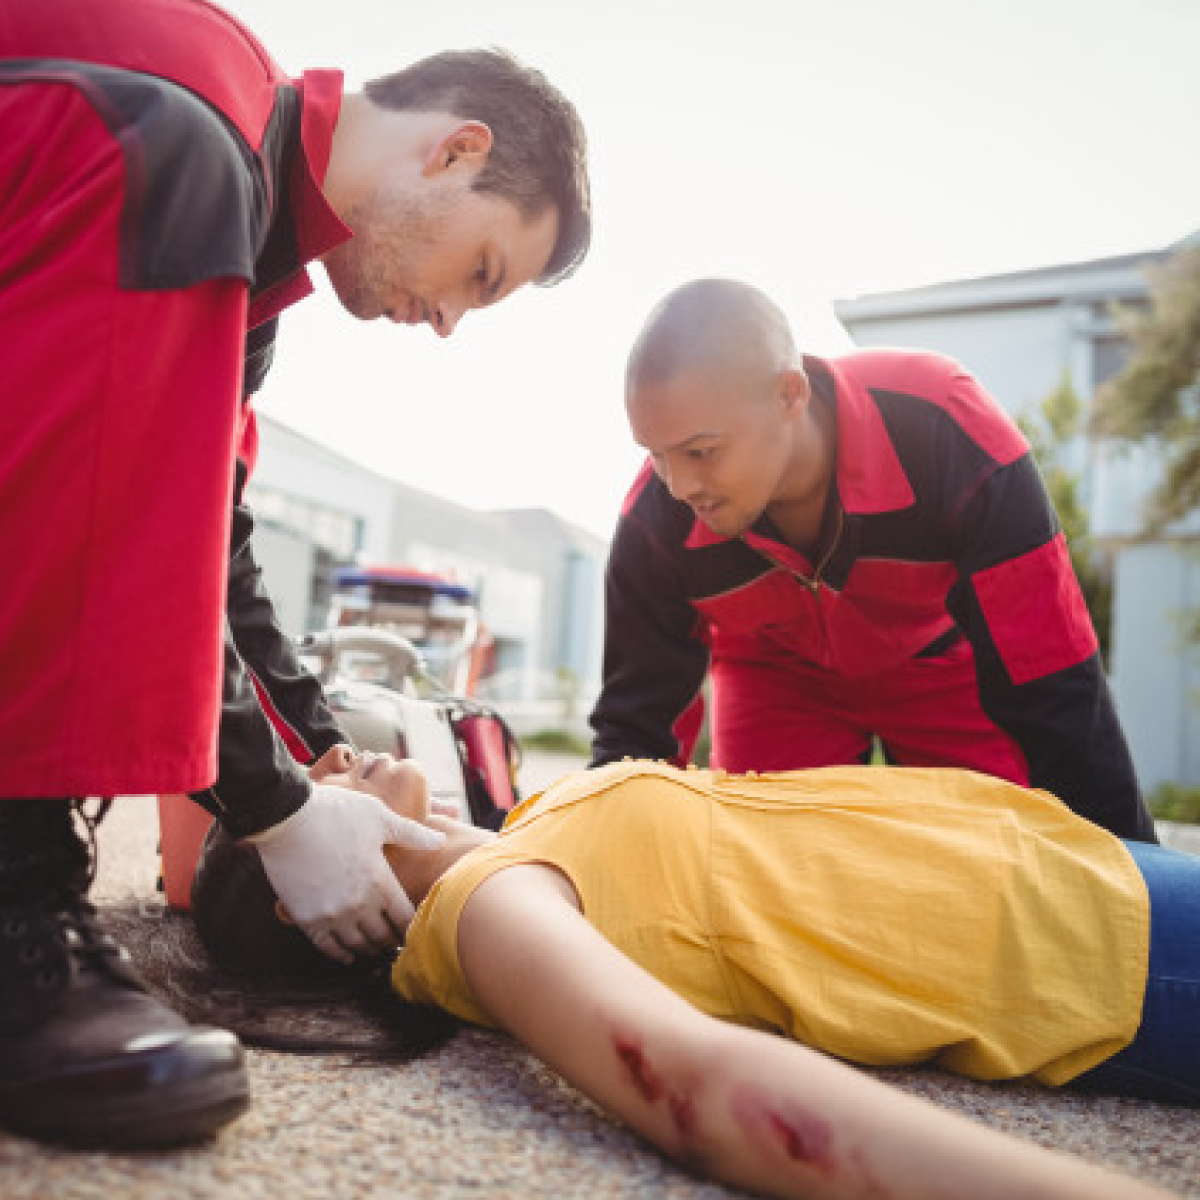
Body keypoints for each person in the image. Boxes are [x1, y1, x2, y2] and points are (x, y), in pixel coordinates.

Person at [0, 0, 590, 1148]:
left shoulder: (240, 193)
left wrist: (304, 774)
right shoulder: (187, 129)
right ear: (456, 148)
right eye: (480, 271)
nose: (448, 324)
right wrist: (270, 810)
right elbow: (105, 509)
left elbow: (208, 563)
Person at [193, 752, 1197, 1200]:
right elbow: (695, 1084)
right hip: (1108, 954)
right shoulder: (486, 907)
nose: (325, 753)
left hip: (1083, 869)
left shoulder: (508, 839)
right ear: (303, 894)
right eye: (301, 790)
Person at [588, 278, 1155, 844]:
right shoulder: (653, 518)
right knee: (770, 871)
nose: (680, 485)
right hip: (775, 676)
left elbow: (1052, 677)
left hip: (940, 665)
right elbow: (636, 731)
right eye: (658, 456)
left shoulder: (948, 429)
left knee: (1001, 856)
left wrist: (1137, 879)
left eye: (700, 452)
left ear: (790, 395)